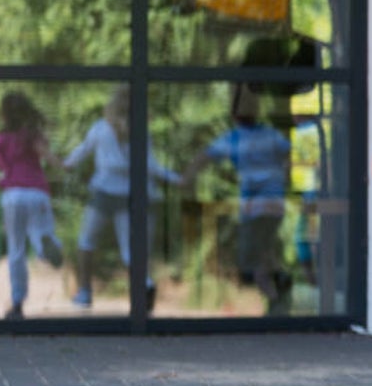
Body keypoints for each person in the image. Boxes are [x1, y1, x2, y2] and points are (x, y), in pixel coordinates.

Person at [63, 85, 180, 311]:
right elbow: (152, 165)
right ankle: (144, 286)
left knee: (86, 241)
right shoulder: (141, 131)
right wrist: (177, 179)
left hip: (104, 191)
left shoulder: (100, 128)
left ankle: (85, 292)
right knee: (130, 250)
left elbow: (80, 153)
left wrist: (62, 164)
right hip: (132, 193)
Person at [182, 83, 293, 315]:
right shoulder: (270, 134)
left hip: (255, 207)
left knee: (250, 256)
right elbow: (288, 154)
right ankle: (279, 287)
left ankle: (276, 296)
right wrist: (285, 177)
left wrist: (186, 180)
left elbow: (203, 158)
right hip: (274, 205)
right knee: (265, 250)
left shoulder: (234, 139)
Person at [0, 91, 64, 319]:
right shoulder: (32, 134)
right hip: (37, 192)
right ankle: (44, 247)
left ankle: (17, 301)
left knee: (17, 249)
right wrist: (63, 165)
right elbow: (47, 156)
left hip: (12, 194)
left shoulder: (0, 139)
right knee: (41, 233)